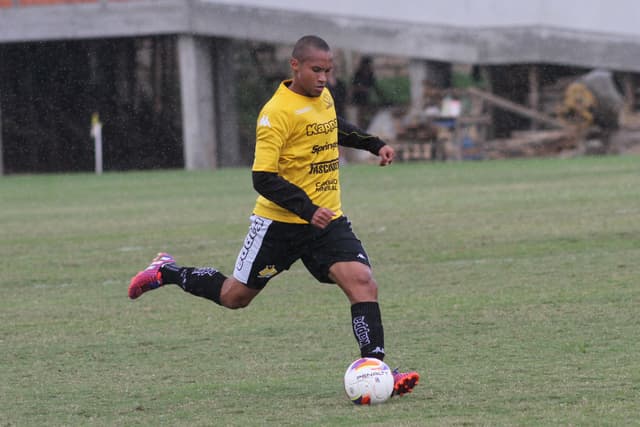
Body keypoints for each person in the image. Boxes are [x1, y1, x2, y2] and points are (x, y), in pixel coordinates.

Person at [128, 35, 419, 397]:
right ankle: (166, 271)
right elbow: (262, 177)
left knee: (362, 282)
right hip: (279, 226)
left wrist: (374, 144)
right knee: (235, 297)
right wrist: (307, 208)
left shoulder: (323, 97)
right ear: (295, 65)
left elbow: (333, 126)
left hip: (327, 221)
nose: (324, 78)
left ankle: (376, 369)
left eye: (328, 70)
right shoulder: (275, 113)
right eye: (316, 70)